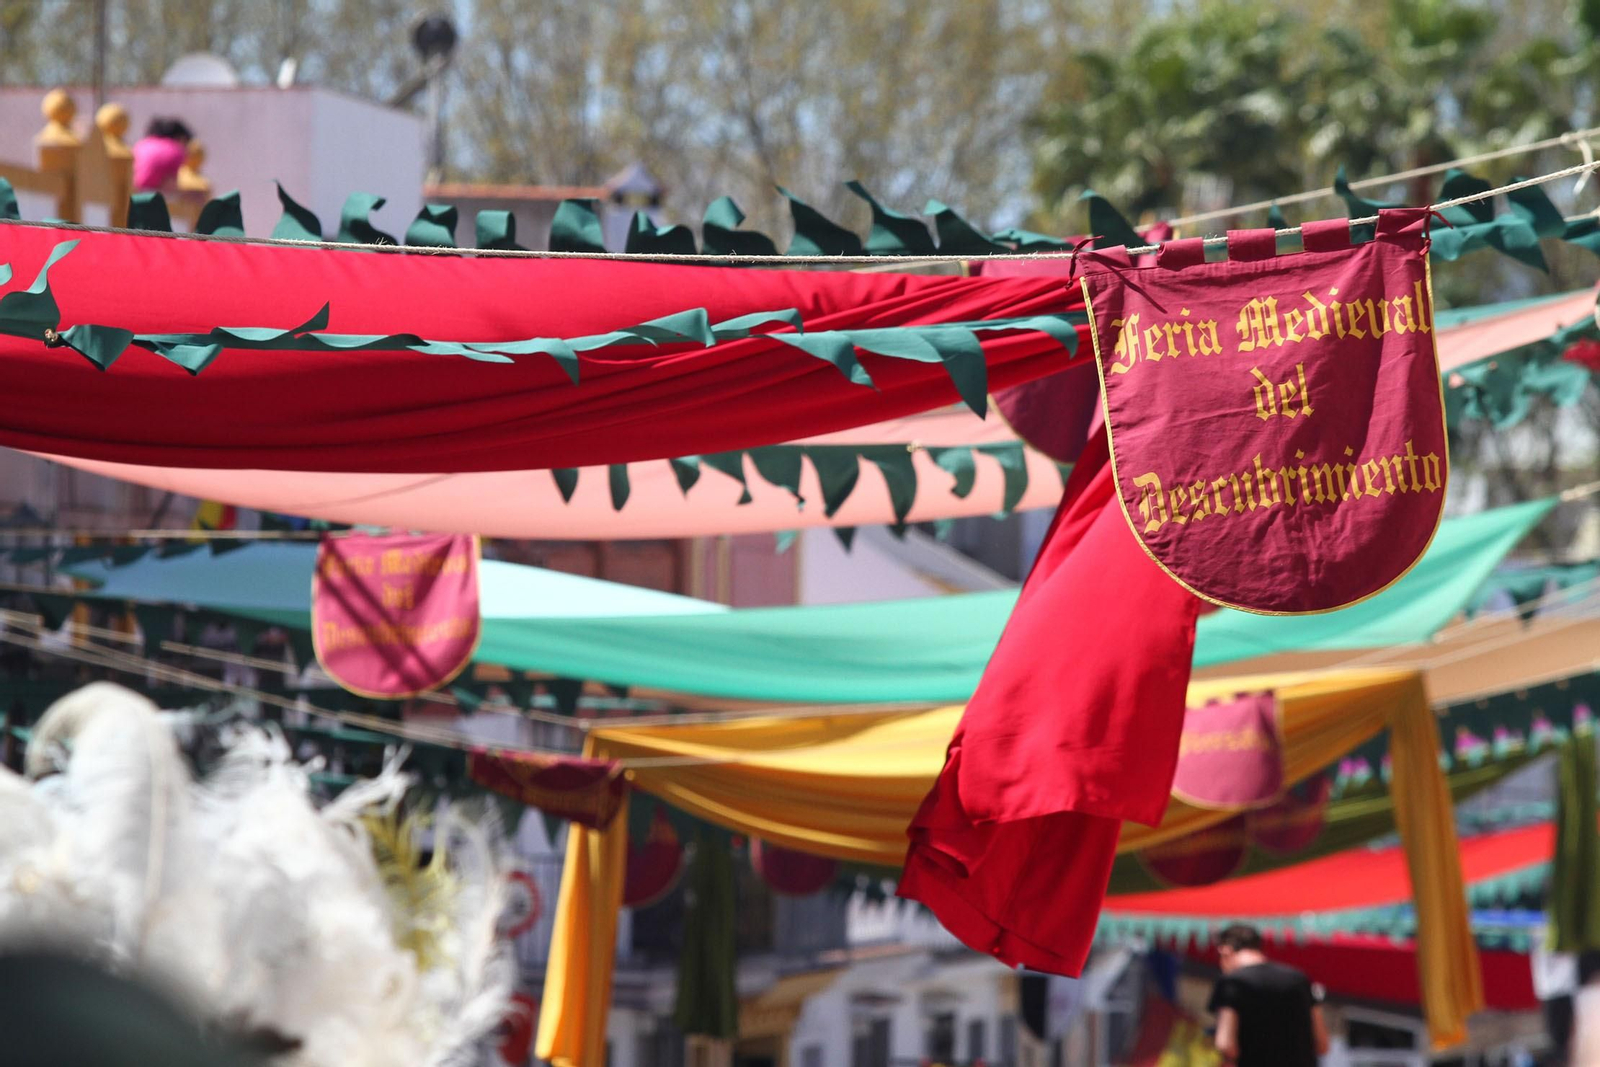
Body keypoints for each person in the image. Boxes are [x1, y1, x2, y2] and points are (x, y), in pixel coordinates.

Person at [1208, 924, 1330, 1066]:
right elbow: (1322, 1045)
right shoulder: (1299, 979)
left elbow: (1226, 1044)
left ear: (1225, 951)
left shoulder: (1233, 982)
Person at [132, 117, 194, 192]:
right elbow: (170, 184)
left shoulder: (141, 144)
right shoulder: (176, 150)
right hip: (152, 194)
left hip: (132, 191)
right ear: (181, 138)